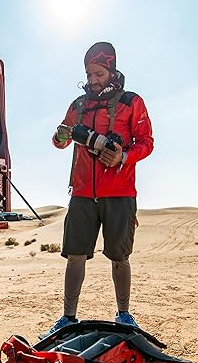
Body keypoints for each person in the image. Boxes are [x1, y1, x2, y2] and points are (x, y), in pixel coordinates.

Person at [40, 42, 153, 339]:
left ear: (111, 69)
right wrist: (60, 136)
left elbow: (147, 142)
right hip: (81, 194)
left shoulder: (132, 102)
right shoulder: (78, 105)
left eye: (99, 73)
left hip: (120, 194)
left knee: (120, 256)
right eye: (89, 73)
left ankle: (124, 315)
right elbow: (60, 140)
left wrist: (122, 156)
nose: (93, 79)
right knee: (75, 255)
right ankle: (67, 318)